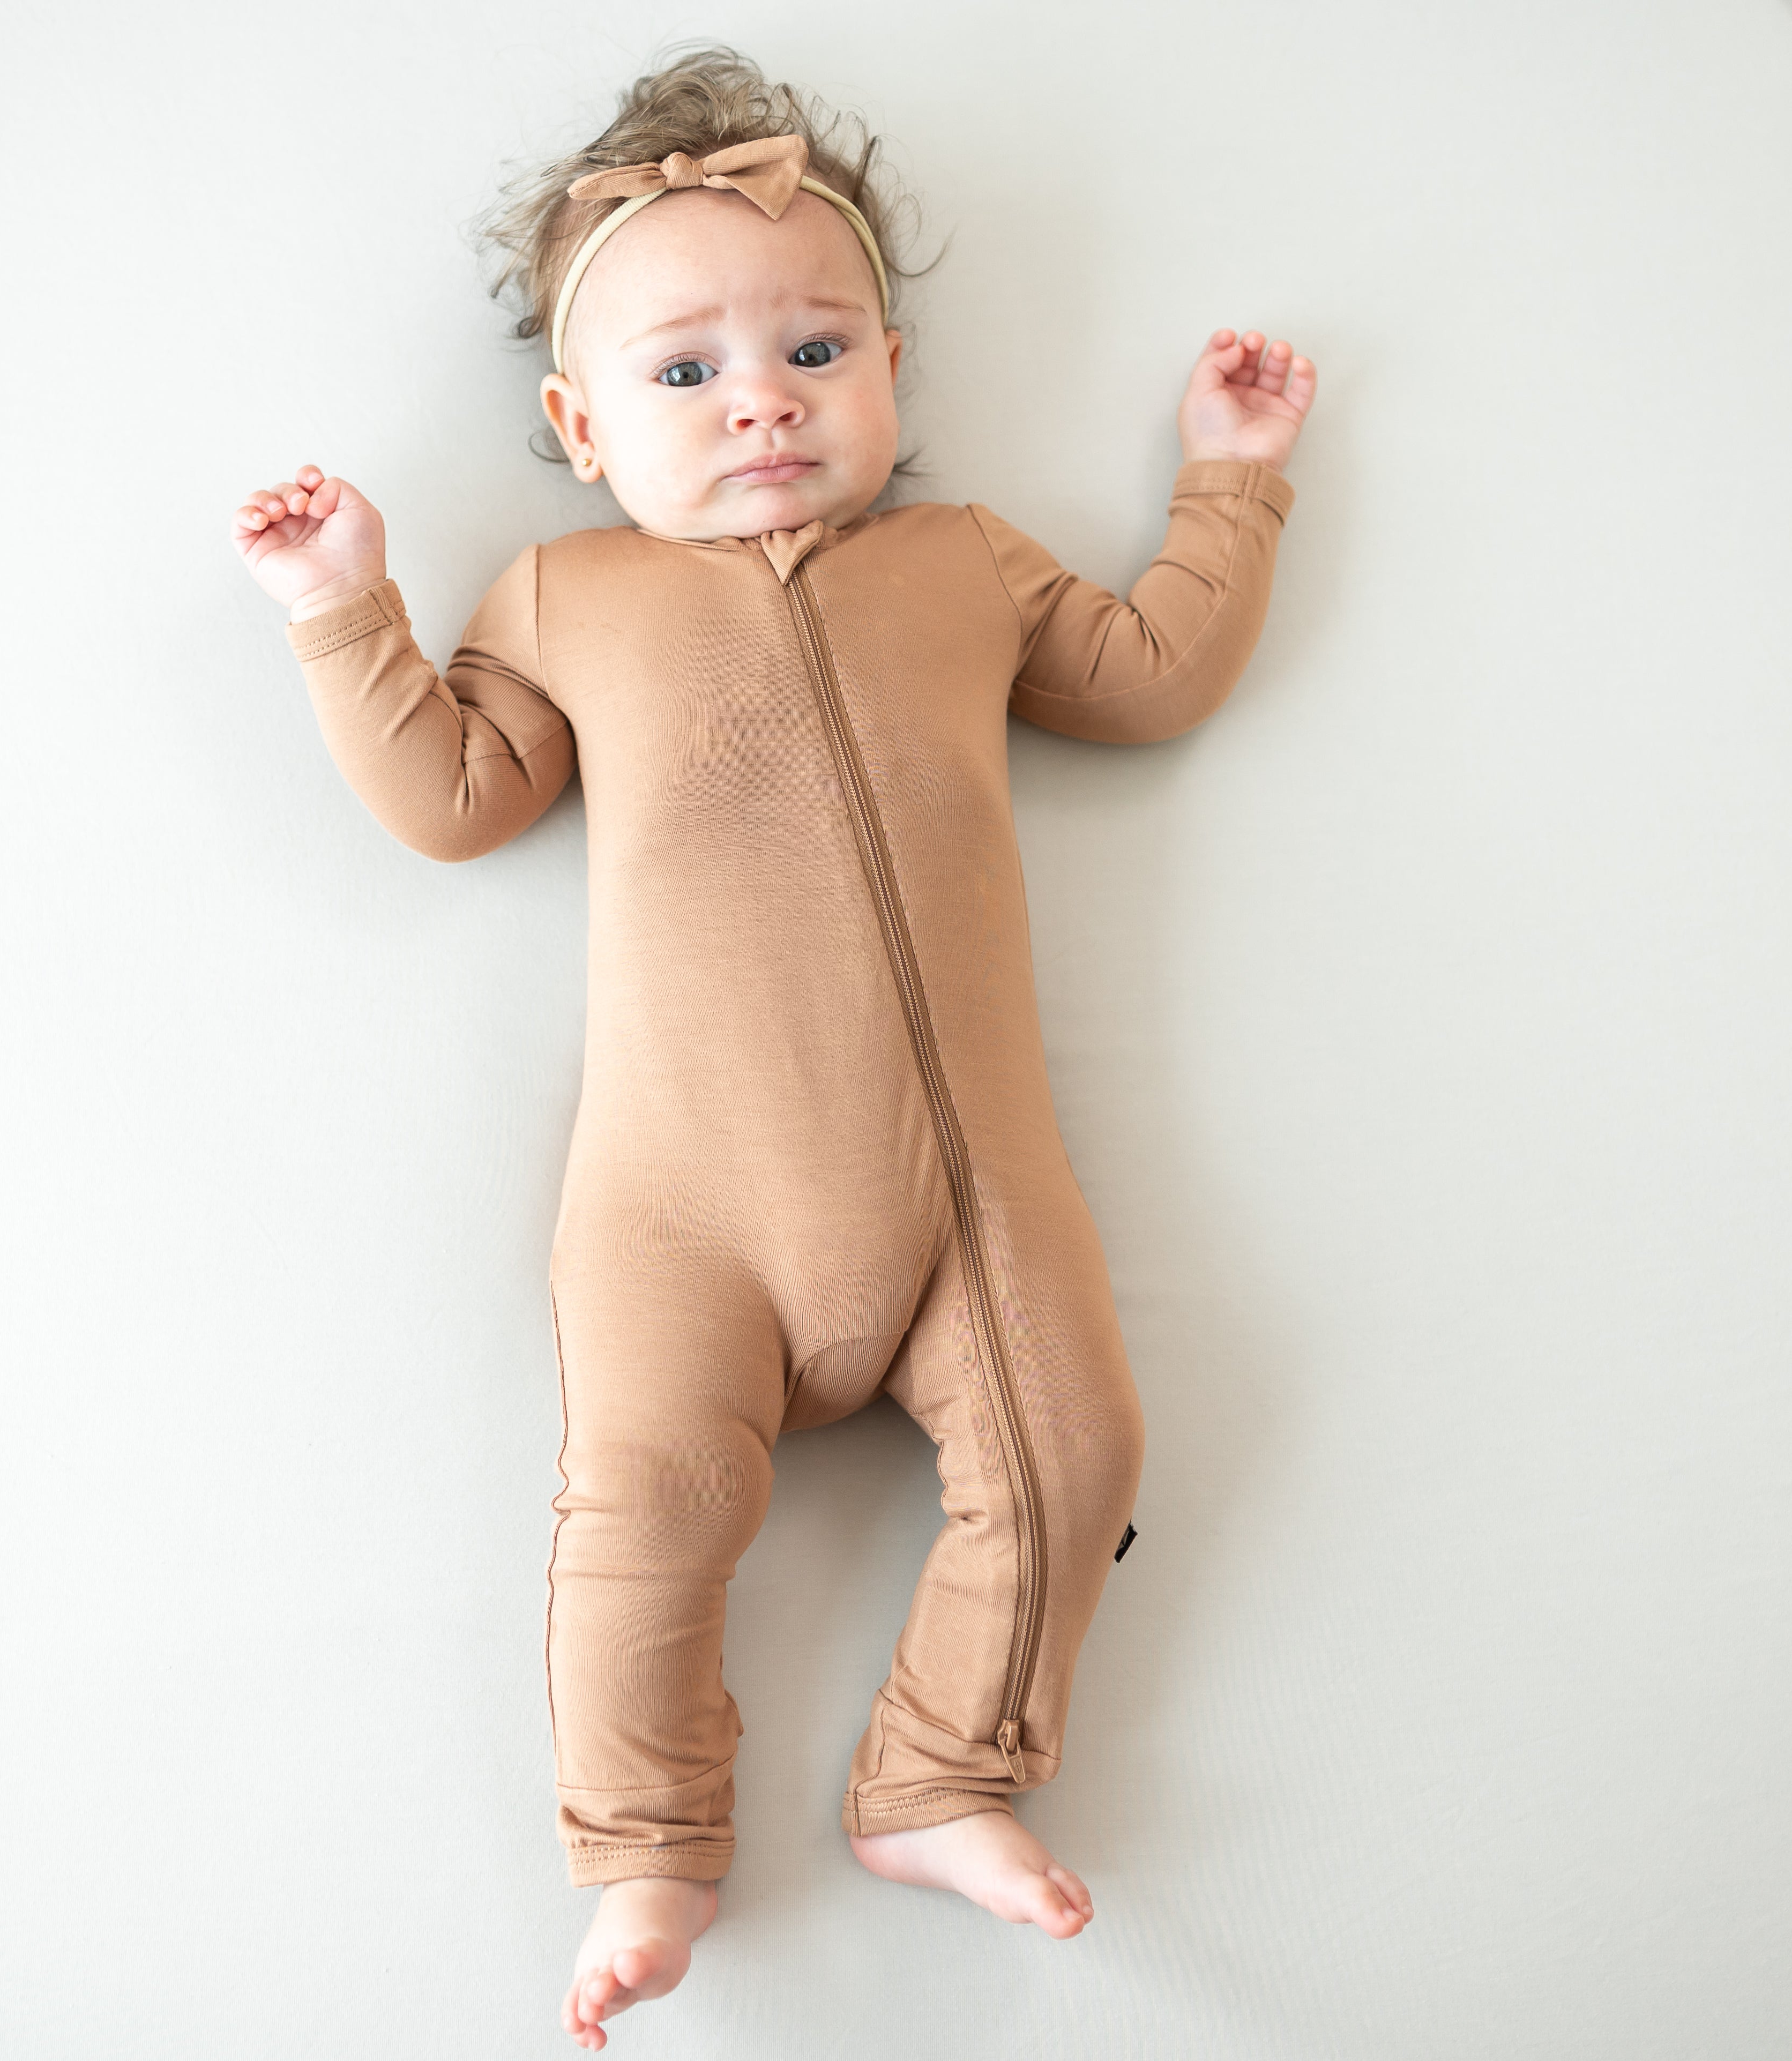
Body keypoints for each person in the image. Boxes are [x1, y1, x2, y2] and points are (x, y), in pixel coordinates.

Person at [231, 46, 1315, 2052]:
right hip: (678, 1218)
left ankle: (940, 1777)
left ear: (891, 367)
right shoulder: (567, 598)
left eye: (815, 347)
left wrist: (1228, 482)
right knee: (632, 1518)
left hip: (972, 1196)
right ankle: (648, 1842)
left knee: (1080, 1453)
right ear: (574, 426)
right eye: (683, 372)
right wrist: (342, 613)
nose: (763, 399)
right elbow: (456, 797)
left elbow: (1151, 680)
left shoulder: (964, 568)